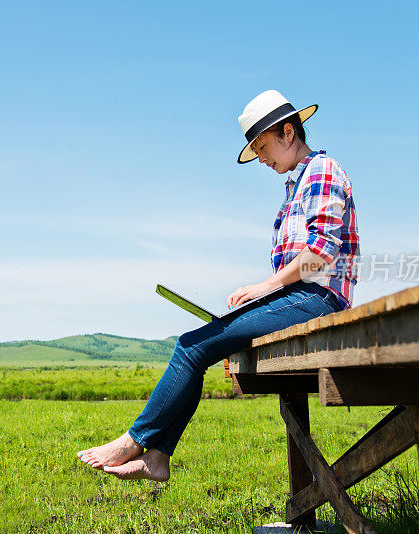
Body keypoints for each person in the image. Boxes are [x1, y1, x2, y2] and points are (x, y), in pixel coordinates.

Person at [77, 89, 360, 481]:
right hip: (297, 298)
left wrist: (265, 287)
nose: (261, 158)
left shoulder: (322, 171)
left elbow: (322, 251)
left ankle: (136, 442)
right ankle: (156, 456)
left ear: (289, 133)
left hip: (317, 300)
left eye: (263, 147)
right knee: (196, 345)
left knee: (190, 347)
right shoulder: (295, 185)